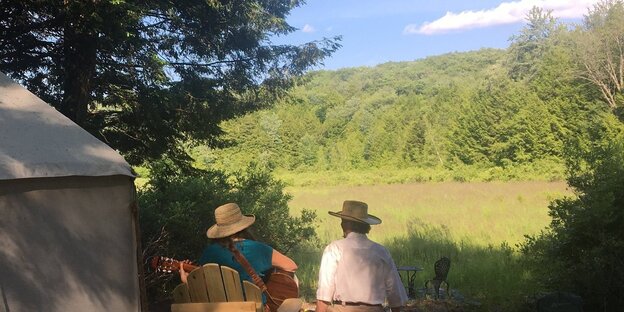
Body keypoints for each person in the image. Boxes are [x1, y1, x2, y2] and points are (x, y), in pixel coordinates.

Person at [179, 202, 298, 300]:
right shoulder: (257, 248)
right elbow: (291, 266)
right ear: (243, 226)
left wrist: (187, 280)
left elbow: (204, 289)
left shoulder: (209, 253)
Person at [316, 200, 408, 312]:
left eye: (342, 221)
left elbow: (324, 293)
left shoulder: (334, 249)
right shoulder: (381, 251)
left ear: (345, 224)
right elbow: (395, 294)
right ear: (366, 225)